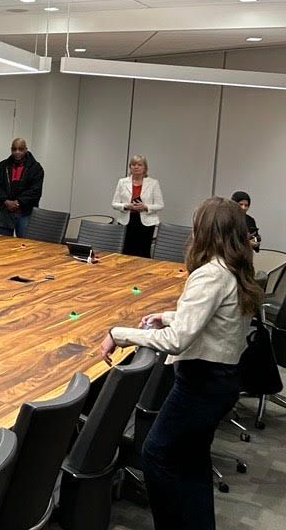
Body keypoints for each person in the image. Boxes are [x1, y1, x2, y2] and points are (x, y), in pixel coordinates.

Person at [100, 197, 262, 530]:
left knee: (156, 455)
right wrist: (169, 316)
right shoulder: (235, 269)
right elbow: (217, 319)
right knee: (193, 463)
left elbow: (177, 341)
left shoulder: (210, 274)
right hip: (224, 379)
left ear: (207, 231)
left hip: (201, 383)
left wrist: (119, 334)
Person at [111, 155, 164, 258]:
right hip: (126, 222)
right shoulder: (122, 182)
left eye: (139, 165)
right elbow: (114, 203)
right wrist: (126, 206)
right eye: (133, 164)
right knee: (126, 252)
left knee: (143, 252)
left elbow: (160, 205)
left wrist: (145, 207)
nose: (136, 167)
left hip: (146, 223)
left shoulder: (153, 183)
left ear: (145, 167)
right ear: (130, 167)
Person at [0, 137, 44, 238]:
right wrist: (6, 201)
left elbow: (35, 191)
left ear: (26, 149)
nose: (17, 152)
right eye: (14, 149)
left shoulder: (36, 168)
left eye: (20, 149)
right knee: (2, 243)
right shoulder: (2, 166)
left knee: (25, 244)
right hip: (5, 211)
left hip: (25, 212)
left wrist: (18, 202)